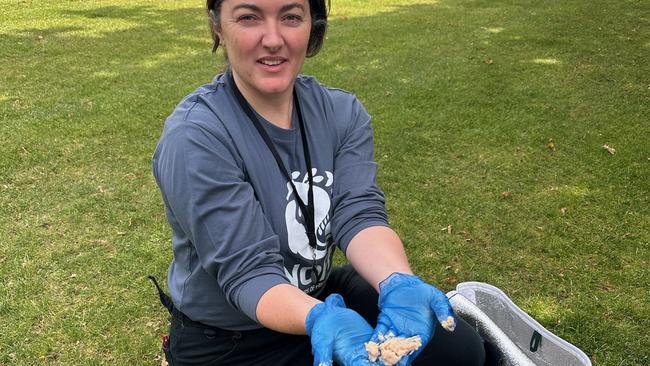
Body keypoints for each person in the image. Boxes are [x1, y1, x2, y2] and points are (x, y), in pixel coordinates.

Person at [150, 0, 487, 365]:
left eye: (291, 17)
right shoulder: (196, 138)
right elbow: (248, 272)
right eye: (249, 17)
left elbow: (358, 214)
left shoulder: (341, 113)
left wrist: (396, 280)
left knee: (458, 351)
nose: (274, 39)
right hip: (231, 340)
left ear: (313, 25)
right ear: (218, 26)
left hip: (321, 295)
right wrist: (318, 318)